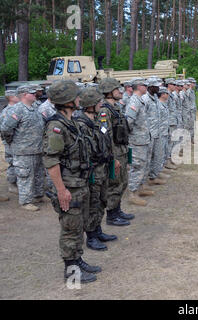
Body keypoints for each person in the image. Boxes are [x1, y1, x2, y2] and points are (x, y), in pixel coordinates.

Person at [43, 80, 100, 283]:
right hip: (69, 186)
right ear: (67, 100)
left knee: (78, 226)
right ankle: (71, 271)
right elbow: (51, 160)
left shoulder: (72, 121)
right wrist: (61, 190)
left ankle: (77, 259)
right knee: (70, 229)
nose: (79, 99)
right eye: (76, 96)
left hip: (79, 183)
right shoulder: (57, 126)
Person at [74, 87, 117, 251]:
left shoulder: (98, 120)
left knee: (101, 200)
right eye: (98, 101)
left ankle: (98, 229)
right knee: (92, 203)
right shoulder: (81, 124)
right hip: (92, 171)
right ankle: (91, 236)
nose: (101, 103)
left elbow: (106, 140)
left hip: (103, 167)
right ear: (90, 104)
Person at [1, 85, 45, 211]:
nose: (35, 95)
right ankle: (26, 201)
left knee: (38, 174)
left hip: (37, 149)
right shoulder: (17, 109)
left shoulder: (34, 108)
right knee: (25, 176)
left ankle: (37, 196)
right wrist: (13, 142)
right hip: (23, 150)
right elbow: (5, 129)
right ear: (24, 94)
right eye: (32, 93)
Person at [98, 78, 134, 226]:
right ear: (109, 92)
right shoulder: (104, 110)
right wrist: (112, 157)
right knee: (114, 184)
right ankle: (112, 215)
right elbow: (105, 136)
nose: (120, 91)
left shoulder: (116, 108)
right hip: (115, 153)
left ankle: (117, 209)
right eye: (117, 89)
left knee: (123, 182)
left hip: (122, 150)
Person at [126, 78, 155, 206]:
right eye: (145, 85)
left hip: (143, 139)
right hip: (136, 141)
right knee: (136, 166)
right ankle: (132, 194)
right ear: (139, 86)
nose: (147, 86)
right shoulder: (134, 101)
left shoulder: (140, 100)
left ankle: (141, 187)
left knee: (143, 165)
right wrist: (132, 137)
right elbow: (128, 122)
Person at [0, 90, 19, 196]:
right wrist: (9, 141)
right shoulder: (7, 111)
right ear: (11, 97)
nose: (18, 97)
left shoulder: (17, 109)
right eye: (16, 95)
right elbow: (4, 129)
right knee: (12, 162)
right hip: (10, 142)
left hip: (17, 142)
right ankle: (12, 184)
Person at [165, 78, 180, 170]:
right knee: (169, 142)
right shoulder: (165, 95)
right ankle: (168, 160)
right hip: (169, 122)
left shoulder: (170, 95)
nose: (175, 86)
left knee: (172, 140)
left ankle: (170, 158)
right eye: (173, 84)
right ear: (168, 85)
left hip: (173, 120)